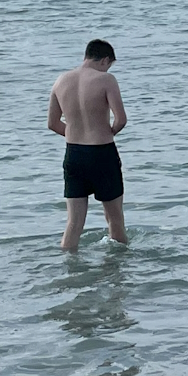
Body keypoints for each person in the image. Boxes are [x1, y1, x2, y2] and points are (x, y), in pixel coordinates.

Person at [48, 39, 127, 250]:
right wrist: (107, 133)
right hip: (102, 153)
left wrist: (76, 135)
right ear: (105, 60)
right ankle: (118, 273)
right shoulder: (106, 79)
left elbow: (52, 123)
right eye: (109, 64)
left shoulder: (61, 81)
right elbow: (120, 120)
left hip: (74, 155)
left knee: (73, 223)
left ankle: (69, 270)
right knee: (115, 220)